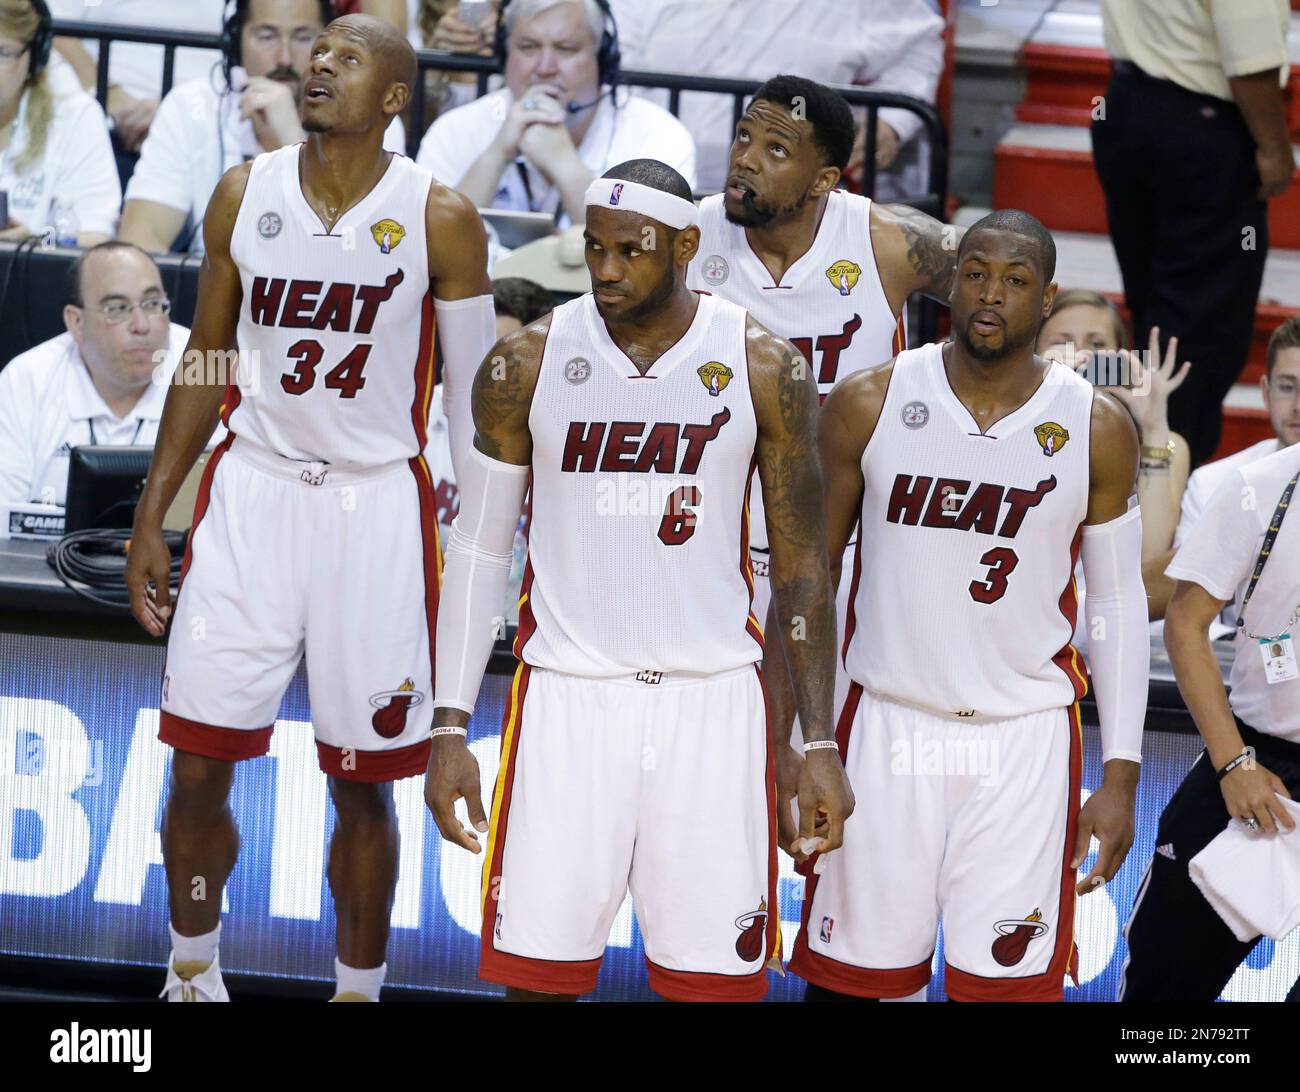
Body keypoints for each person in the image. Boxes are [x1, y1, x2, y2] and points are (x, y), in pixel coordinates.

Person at [122, 14, 495, 1003]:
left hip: (375, 509)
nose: (319, 67)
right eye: (315, 55)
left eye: (348, 60)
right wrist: (156, 507)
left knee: (364, 783)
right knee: (198, 764)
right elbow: (205, 358)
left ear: (393, 98)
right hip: (251, 494)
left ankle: (358, 992)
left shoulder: (442, 216)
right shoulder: (246, 191)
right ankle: (191, 971)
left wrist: (493, 541)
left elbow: (479, 402)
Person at [423, 159, 853, 1001]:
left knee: (713, 989)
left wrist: (817, 741)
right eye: (595, 250)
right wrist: (447, 727)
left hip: (714, 705)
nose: (609, 269)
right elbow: (477, 549)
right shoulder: (525, 364)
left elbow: (802, 568)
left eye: (633, 250)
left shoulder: (766, 367)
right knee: (536, 984)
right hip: (568, 701)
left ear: (687, 245)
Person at [785, 210, 1148, 1002]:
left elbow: (1117, 604)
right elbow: (810, 577)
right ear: (952, 280)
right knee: (854, 988)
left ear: (1046, 298)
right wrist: (806, 737)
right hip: (885, 726)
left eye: (1016, 282)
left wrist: (1120, 775)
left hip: (1022, 745)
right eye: (976, 272)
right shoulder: (867, 400)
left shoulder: (1097, 426)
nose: (991, 294)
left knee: (1008, 995)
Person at [688, 75, 959, 731]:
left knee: (819, 759)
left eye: (775, 150)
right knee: (717, 752)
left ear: (823, 181)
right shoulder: (684, 239)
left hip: (846, 535)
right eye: (744, 137)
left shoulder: (888, 240)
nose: (745, 157)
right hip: (712, 532)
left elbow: (1010, 286)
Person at [1120, 439, 1300, 1001]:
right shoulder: (1261, 486)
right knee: (1163, 992)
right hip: (1252, 766)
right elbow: (1184, 622)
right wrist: (1233, 763)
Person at [1091, 0, 1294, 466]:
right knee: (1198, 335)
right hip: (1200, 125)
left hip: (1126, 103)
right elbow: (1249, 58)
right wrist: (1273, 145)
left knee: (1156, 317)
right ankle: (1167, 496)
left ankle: (1135, 482)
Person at [119, 0, 406, 255]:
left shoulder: (371, 119)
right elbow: (141, 238)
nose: (283, 57)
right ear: (236, 42)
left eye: (303, 37)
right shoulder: (192, 106)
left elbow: (364, 257)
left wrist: (291, 141)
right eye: (266, 36)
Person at [608, 0, 944, 196]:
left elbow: (916, 51)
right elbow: (600, 48)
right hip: (648, 187)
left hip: (784, 201)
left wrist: (890, 123)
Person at [416, 0, 695, 228]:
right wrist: (496, 155)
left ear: (602, 58)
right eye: (528, 47)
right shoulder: (455, 129)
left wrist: (565, 166)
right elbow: (429, 246)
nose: (545, 67)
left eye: (566, 49)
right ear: (505, 55)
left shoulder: (658, 134)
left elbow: (648, 256)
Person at [0, 242, 201, 507]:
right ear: (77, 323)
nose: (141, 325)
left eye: (153, 304)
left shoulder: (206, 372)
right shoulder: (26, 380)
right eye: (117, 308)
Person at [1145, 316, 1300, 621]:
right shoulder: (1213, 482)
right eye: (1287, 386)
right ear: (1266, 393)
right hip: (1238, 655)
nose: (1298, 405)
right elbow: (1179, 602)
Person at [1036, 289, 1192, 580]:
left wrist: (1155, 429)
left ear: (1122, 358)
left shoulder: (1168, 443)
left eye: (1097, 344)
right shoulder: (1006, 424)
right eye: (1062, 343)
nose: (1081, 355)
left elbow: (1148, 557)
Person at [424, 275, 553, 543]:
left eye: (505, 359)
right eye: (483, 352)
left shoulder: (565, 428)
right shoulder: (424, 413)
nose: (488, 371)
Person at [0, 0, 119, 244]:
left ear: (36, 55)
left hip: (31, 281)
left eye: (3, 54)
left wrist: (35, 245)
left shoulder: (75, 116)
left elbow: (96, 236)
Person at [48, 0, 226, 152]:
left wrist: (177, 108)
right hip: (103, 121)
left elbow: (250, 39)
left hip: (214, 124)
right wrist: (111, 96)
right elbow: (49, 19)